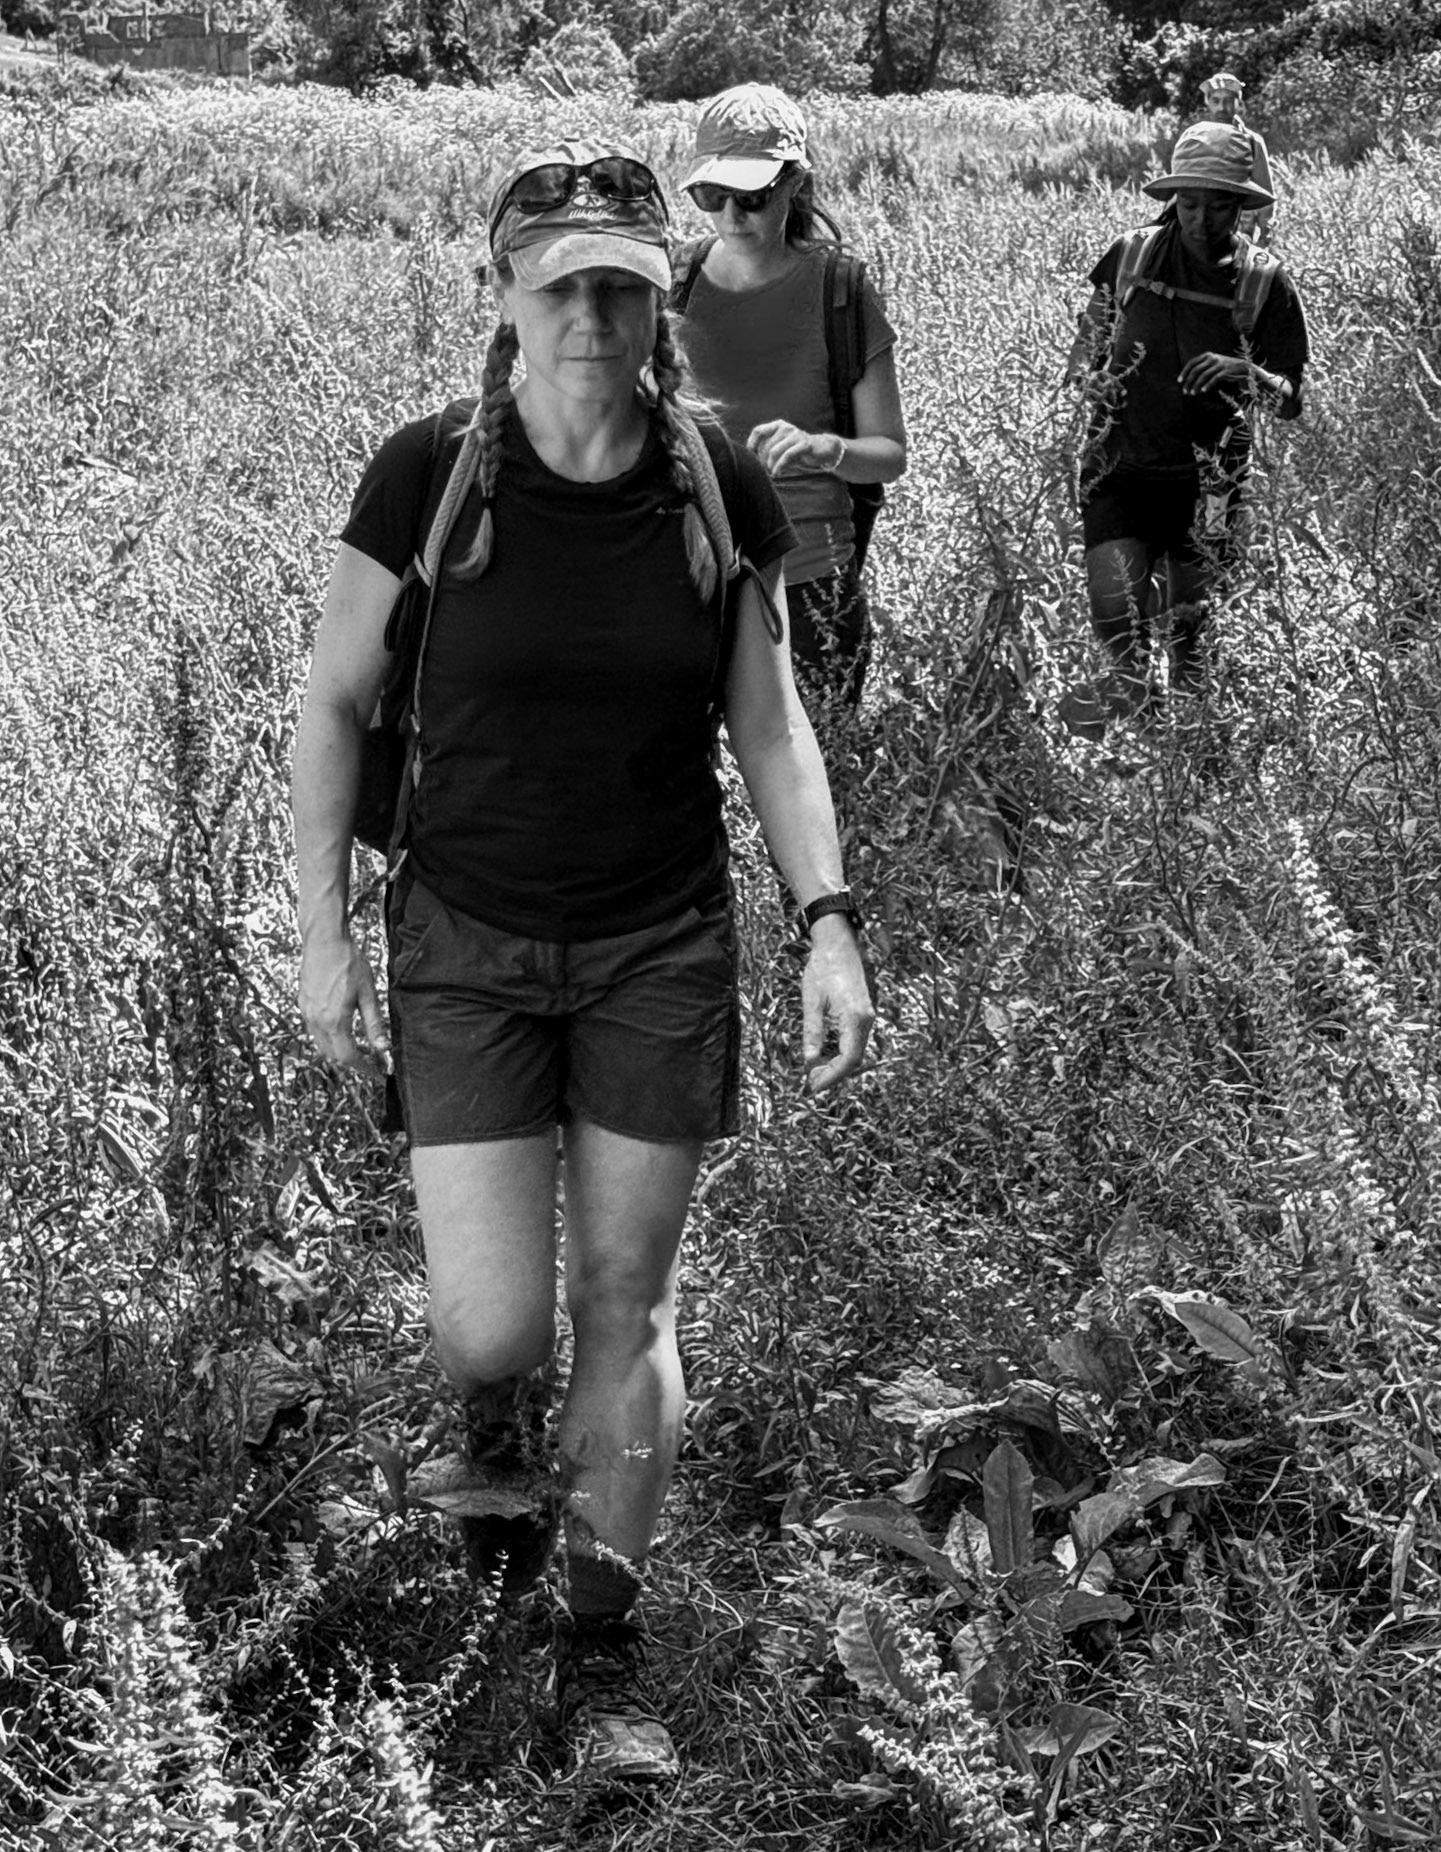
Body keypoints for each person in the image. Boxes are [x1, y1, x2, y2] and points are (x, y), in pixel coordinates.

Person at [291, 142, 873, 1785]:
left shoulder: (713, 484)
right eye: (564, 286)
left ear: (653, 293)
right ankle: (491, 1490)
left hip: (655, 943)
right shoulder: (427, 478)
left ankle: (597, 1658)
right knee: (489, 1328)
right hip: (463, 941)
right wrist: (326, 937)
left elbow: (770, 722)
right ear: (509, 297)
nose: (597, 315)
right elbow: (333, 703)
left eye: (623, 281)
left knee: (629, 1302)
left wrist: (826, 916)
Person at [1061, 120, 1309, 730]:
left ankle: (1192, 758)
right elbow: (1084, 351)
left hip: (1211, 482)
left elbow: (1291, 399)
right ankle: (1137, 739)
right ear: (1174, 197)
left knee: (1189, 632)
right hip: (1118, 466)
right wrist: (1088, 379)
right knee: (1115, 612)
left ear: (1241, 207)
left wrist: (1241, 369)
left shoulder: (1263, 281)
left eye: (1218, 205)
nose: (1200, 220)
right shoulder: (1131, 255)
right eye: (1190, 202)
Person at [670, 83, 907, 714]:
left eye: (750, 197)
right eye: (710, 196)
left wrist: (823, 449)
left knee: (820, 784)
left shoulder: (839, 289)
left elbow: (888, 454)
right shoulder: (677, 285)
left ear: (795, 185)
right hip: (690, 580)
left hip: (808, 583)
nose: (730, 217)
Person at [1199, 71, 1275, 246]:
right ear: (1207, 103)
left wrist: (1265, 231)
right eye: (1215, 101)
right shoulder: (1197, 139)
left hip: (1239, 229)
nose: (1221, 108)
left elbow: (1265, 192)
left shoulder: (1252, 142)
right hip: (1202, 226)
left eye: (1227, 101)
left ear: (1237, 103)